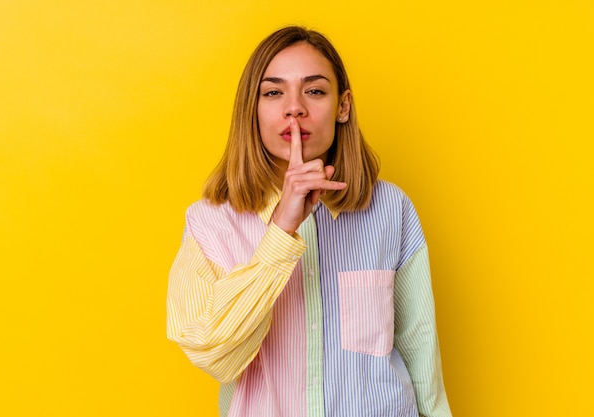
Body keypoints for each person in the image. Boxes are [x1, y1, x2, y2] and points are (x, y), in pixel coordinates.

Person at [167, 26, 452, 417]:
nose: (294, 108)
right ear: (251, 109)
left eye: (314, 91)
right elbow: (213, 353)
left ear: (343, 106)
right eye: (273, 92)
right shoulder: (209, 222)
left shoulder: (390, 208)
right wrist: (280, 231)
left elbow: (419, 345)